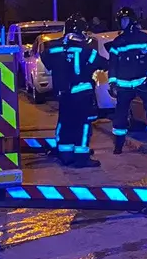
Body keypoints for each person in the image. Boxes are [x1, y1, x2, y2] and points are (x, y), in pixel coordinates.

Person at [41, 14, 106, 167]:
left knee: (65, 124)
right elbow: (103, 64)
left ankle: (66, 155)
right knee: (83, 126)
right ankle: (82, 158)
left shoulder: (54, 48)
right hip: (82, 95)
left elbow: (45, 59)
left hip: (63, 96)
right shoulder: (86, 50)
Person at [106, 7, 147, 154]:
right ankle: (118, 144)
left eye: (125, 20)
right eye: (121, 20)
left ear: (131, 20)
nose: (122, 23)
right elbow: (112, 64)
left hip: (143, 81)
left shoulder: (144, 38)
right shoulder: (117, 42)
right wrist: (112, 82)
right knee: (120, 115)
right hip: (124, 84)